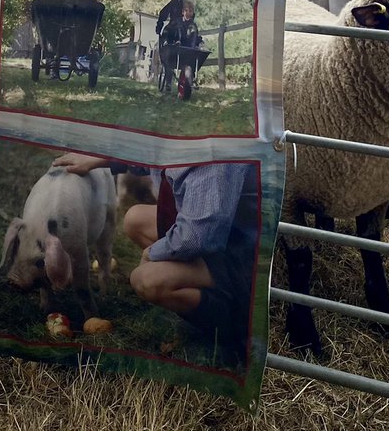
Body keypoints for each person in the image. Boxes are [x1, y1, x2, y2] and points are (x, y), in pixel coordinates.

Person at [52, 153, 258, 364]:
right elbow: (150, 155)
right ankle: (199, 290)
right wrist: (99, 160)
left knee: (147, 280)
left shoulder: (212, 158)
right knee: (135, 219)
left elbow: (195, 238)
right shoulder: (182, 133)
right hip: (216, 235)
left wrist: (152, 253)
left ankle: (235, 324)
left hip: (240, 255)